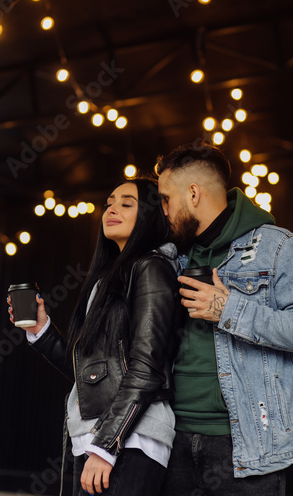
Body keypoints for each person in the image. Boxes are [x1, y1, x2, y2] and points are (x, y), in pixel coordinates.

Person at [8, 178, 181, 496]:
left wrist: (107, 445)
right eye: (110, 202)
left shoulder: (151, 268)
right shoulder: (107, 279)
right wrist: (41, 332)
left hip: (129, 441)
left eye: (127, 203)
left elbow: (148, 367)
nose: (112, 208)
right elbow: (93, 375)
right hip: (95, 438)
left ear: (150, 216)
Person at [157, 142, 293, 496]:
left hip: (248, 445)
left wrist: (229, 309)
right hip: (171, 440)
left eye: (166, 198)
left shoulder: (277, 247)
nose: (163, 210)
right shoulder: (171, 256)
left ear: (193, 193)